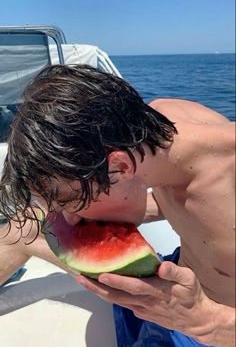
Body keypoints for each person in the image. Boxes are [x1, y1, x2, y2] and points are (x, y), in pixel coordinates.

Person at [0, 64, 235, 347]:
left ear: (120, 167)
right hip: (168, 281)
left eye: (71, 202)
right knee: (25, 226)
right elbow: (186, 205)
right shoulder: (161, 123)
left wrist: (206, 319)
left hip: (212, 327)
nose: (69, 219)